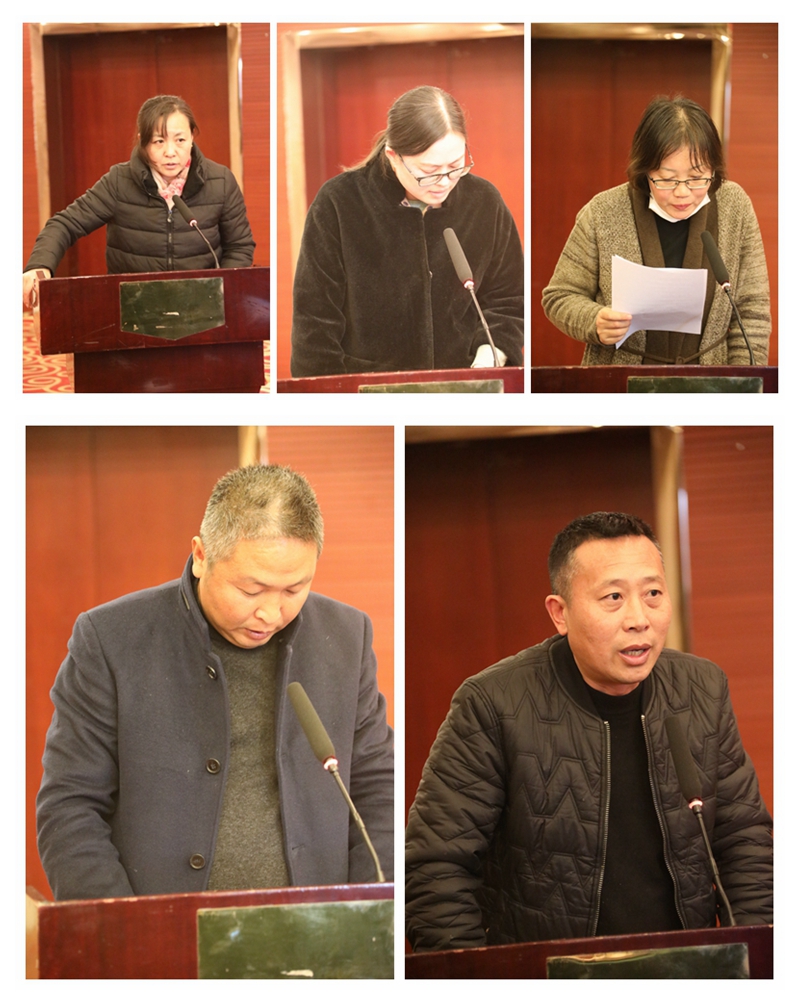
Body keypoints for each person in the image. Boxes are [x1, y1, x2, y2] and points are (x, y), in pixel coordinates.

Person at [406, 512, 772, 951]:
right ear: (560, 613)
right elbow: (435, 866)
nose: (639, 618)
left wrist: (754, 961)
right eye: (613, 597)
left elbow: (745, 843)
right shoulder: (493, 704)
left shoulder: (702, 690)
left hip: (683, 969)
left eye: (653, 593)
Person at [37, 464, 393, 901]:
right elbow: (70, 806)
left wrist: (367, 913)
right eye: (251, 591)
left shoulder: (347, 636)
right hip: (160, 929)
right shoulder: (111, 639)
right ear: (201, 555)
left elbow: (378, 791)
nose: (271, 613)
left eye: (294, 589)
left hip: (320, 928)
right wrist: (124, 928)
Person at [290, 85, 524, 376]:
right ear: (393, 155)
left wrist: (490, 356)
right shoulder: (339, 202)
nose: (444, 181)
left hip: (465, 381)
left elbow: (509, 299)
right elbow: (315, 318)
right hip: (368, 386)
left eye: (455, 166)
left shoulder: (484, 201)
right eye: (429, 171)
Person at [542, 96, 771, 365]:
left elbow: (752, 310)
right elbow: (559, 296)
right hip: (619, 380)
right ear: (645, 171)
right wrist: (594, 320)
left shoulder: (735, 206)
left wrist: (744, 380)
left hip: (712, 383)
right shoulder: (603, 212)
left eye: (697, 178)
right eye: (667, 179)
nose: (682, 192)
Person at [23, 94, 255, 309]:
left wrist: (219, 294)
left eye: (180, 140)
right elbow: (65, 224)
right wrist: (39, 266)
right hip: (132, 308)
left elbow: (239, 246)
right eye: (158, 141)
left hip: (202, 307)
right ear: (142, 142)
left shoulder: (220, 181)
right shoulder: (119, 182)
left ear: (192, 137)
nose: (170, 151)